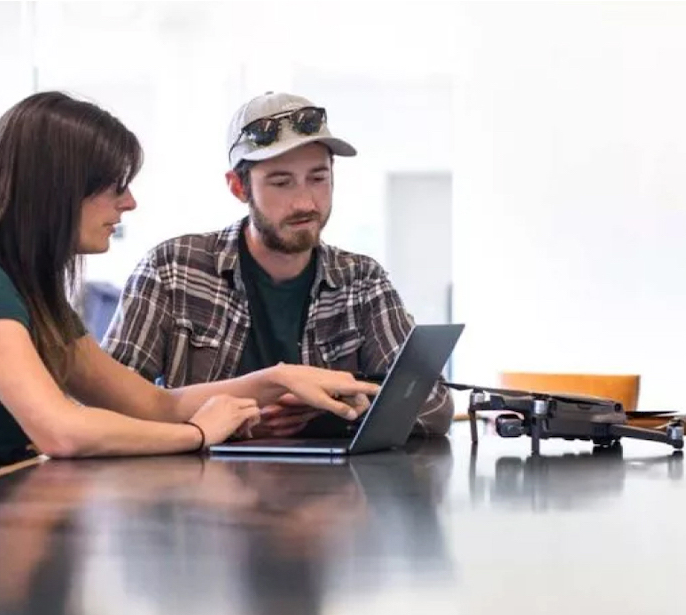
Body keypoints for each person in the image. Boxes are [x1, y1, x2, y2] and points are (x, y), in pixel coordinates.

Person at [0, 91, 379, 491]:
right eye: (114, 186)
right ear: (55, 193)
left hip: (3, 519)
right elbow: (62, 430)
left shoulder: (35, 298)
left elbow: (151, 403)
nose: (129, 202)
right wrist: (197, 434)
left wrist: (280, 377)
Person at [102, 91, 454, 438]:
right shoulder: (173, 269)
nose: (305, 202)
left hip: (331, 492)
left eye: (318, 178)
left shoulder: (361, 281)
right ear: (238, 187)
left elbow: (434, 406)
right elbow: (110, 406)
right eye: (281, 182)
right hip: (202, 488)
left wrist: (332, 412)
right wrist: (231, 421)